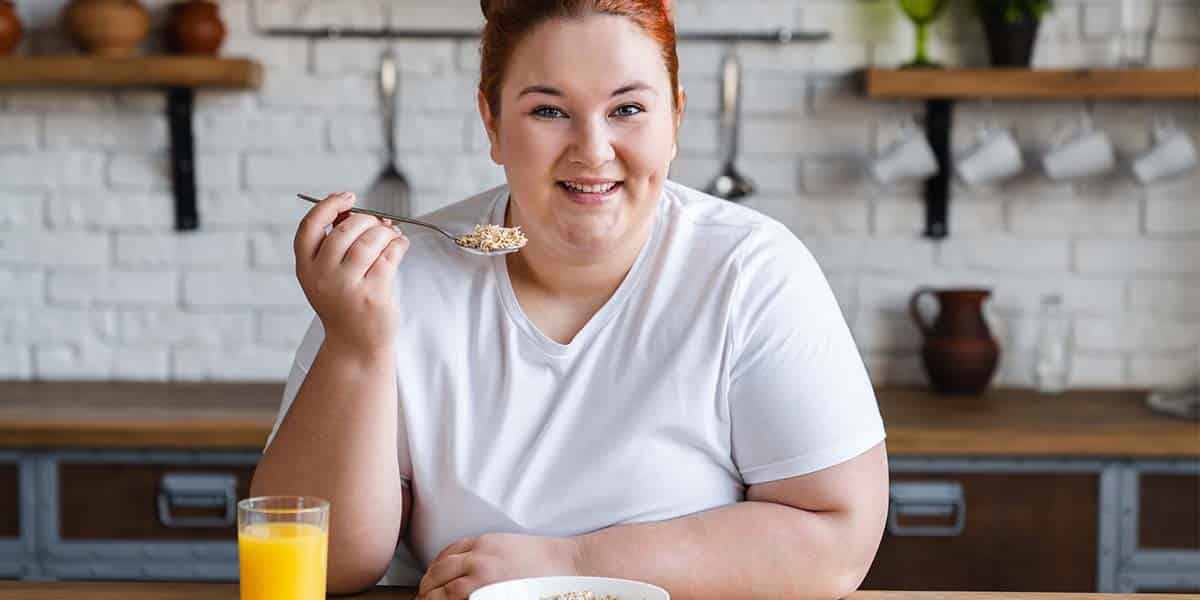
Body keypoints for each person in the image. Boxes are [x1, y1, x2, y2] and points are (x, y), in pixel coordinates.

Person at [250, 0, 890, 598]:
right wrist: (356, 348)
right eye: (548, 110)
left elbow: (837, 541)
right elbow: (329, 566)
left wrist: (571, 566)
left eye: (628, 110)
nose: (592, 150)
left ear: (676, 121)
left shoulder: (751, 272)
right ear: (492, 123)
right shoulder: (401, 282)